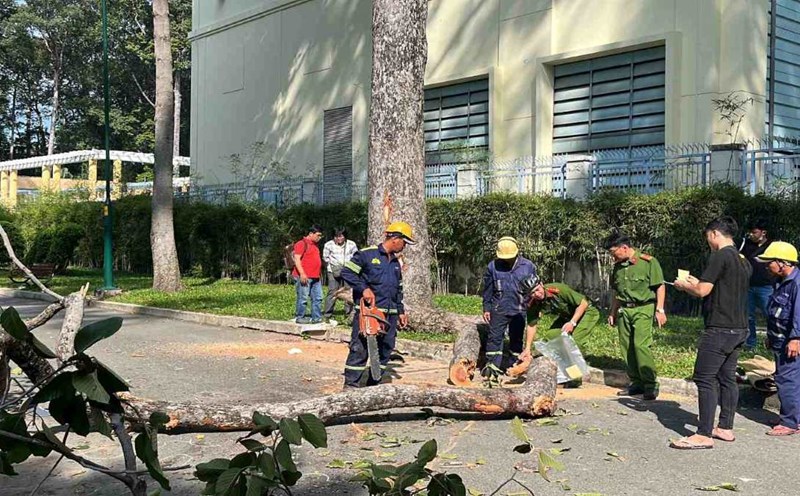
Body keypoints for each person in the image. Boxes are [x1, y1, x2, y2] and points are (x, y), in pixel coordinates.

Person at [671, 216, 751, 449]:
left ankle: (703, 433)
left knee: (704, 378)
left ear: (714, 234)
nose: (708, 241)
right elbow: (719, 288)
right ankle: (725, 427)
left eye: (708, 236)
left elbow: (703, 291)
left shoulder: (720, 256)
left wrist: (686, 286)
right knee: (727, 378)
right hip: (739, 327)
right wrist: (697, 282)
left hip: (719, 328)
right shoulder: (742, 259)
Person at [340, 221, 413, 388]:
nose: (404, 246)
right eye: (404, 242)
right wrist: (363, 288)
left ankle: (374, 383)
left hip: (390, 314)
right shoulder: (366, 255)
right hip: (370, 313)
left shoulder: (395, 263)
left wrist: (401, 311)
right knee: (360, 349)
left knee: (386, 349)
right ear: (395, 238)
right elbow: (347, 272)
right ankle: (351, 385)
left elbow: (398, 290)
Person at [604, 232, 666, 400]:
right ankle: (636, 383)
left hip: (643, 308)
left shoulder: (648, 262)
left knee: (640, 346)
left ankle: (651, 384)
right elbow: (617, 292)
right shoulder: (618, 267)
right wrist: (613, 312)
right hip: (624, 310)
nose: (612, 256)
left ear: (624, 248)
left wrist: (660, 310)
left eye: (613, 252)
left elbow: (659, 286)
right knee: (627, 347)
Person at [518, 279, 600, 387]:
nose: (537, 294)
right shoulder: (534, 303)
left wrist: (572, 322)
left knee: (573, 343)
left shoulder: (558, 289)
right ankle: (564, 372)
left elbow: (583, 304)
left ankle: (575, 379)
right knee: (551, 336)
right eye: (532, 293)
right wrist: (527, 348)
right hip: (567, 316)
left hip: (586, 312)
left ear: (541, 285)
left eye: (537, 290)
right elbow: (532, 325)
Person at [757, 241, 800, 436]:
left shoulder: (797, 284)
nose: (767, 265)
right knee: (790, 378)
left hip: (791, 342)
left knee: (787, 379)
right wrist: (770, 335)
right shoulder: (779, 282)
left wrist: (796, 338)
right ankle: (795, 418)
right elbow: (774, 312)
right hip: (779, 340)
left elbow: (798, 314)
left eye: (770, 262)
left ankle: (790, 423)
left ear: (782, 262)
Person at [481, 236, 537, 383]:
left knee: (516, 339)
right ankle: (492, 367)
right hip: (499, 308)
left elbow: (535, 289)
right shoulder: (493, 266)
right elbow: (487, 289)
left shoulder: (528, 266)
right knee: (495, 338)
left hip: (520, 309)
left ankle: (513, 366)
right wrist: (486, 307)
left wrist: (535, 307)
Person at [740, 218, 775, 349]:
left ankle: (773, 342)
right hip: (748, 285)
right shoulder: (746, 245)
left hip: (766, 286)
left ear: (763, 232)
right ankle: (750, 343)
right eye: (750, 232)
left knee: (770, 315)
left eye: (754, 232)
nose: (751, 235)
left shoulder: (772, 245)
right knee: (748, 316)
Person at [322, 228, 358, 323]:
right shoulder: (328, 245)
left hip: (348, 270)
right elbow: (325, 258)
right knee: (332, 291)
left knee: (349, 291)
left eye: (341, 236)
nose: (339, 238)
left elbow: (356, 256)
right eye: (336, 236)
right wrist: (332, 267)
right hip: (333, 270)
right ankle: (327, 314)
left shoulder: (351, 244)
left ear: (345, 236)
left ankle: (348, 313)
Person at [292, 225, 324, 324]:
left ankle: (316, 318)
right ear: (311, 234)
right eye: (318, 235)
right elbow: (297, 259)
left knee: (318, 298)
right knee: (303, 297)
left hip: (315, 277)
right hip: (304, 276)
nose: (319, 238)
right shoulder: (301, 244)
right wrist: (302, 273)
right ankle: (300, 316)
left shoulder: (315, 245)